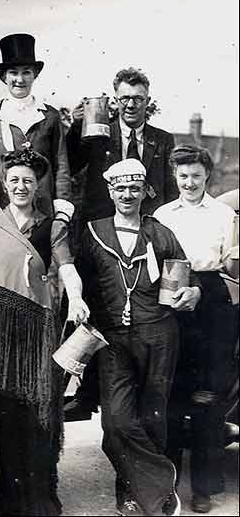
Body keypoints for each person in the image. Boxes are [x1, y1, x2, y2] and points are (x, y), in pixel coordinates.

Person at [0, 147, 90, 516]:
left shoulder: (51, 226)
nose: (21, 186)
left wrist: (76, 298)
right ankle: (11, 497)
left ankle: (41, 497)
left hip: (36, 326)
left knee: (41, 410)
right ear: (4, 184)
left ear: (38, 183)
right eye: (14, 180)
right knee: (5, 411)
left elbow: (68, 266)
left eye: (28, 180)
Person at [78, 158, 201, 516]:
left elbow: (186, 277)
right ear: (110, 191)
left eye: (134, 188)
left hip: (159, 333)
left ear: (144, 191)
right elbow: (80, 284)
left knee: (152, 418)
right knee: (116, 421)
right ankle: (163, 480)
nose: (127, 195)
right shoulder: (94, 231)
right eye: (120, 188)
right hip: (113, 338)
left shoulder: (160, 232)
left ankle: (133, 498)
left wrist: (192, 293)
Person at [65, 67, 179, 421]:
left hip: (145, 233)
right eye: (124, 98)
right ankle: (87, 393)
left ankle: (137, 396)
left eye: (138, 99)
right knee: (100, 306)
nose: (131, 105)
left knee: (141, 310)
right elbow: (70, 161)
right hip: (102, 233)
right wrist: (74, 126)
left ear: (148, 101)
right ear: (115, 101)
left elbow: (170, 189)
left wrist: (162, 230)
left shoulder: (163, 140)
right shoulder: (99, 133)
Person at [153, 145, 238, 514]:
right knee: (169, 393)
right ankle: (166, 485)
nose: (190, 183)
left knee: (208, 396)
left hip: (212, 302)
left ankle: (204, 488)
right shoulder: (162, 214)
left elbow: (230, 266)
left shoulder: (223, 214)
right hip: (172, 298)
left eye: (196, 176)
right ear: (175, 176)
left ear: (208, 177)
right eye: (183, 176)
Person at [0, 33, 72, 216]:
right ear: (4, 77)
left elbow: (61, 165)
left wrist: (62, 210)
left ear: (35, 75)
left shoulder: (50, 116)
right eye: (13, 73)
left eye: (26, 72)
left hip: (42, 207)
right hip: (2, 205)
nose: (20, 79)